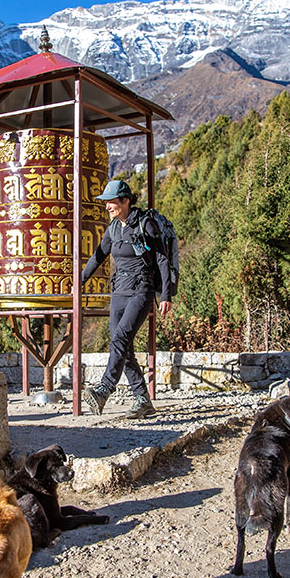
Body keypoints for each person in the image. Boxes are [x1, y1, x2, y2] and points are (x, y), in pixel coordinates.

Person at [79, 179, 172, 418]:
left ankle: (104, 388)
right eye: (106, 202)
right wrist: (79, 281)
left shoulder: (145, 224)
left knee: (120, 337)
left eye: (111, 202)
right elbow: (98, 255)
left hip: (142, 290)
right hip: (119, 290)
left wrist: (165, 295)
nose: (107, 206)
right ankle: (143, 400)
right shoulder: (113, 229)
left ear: (126, 201)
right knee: (122, 345)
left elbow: (162, 259)